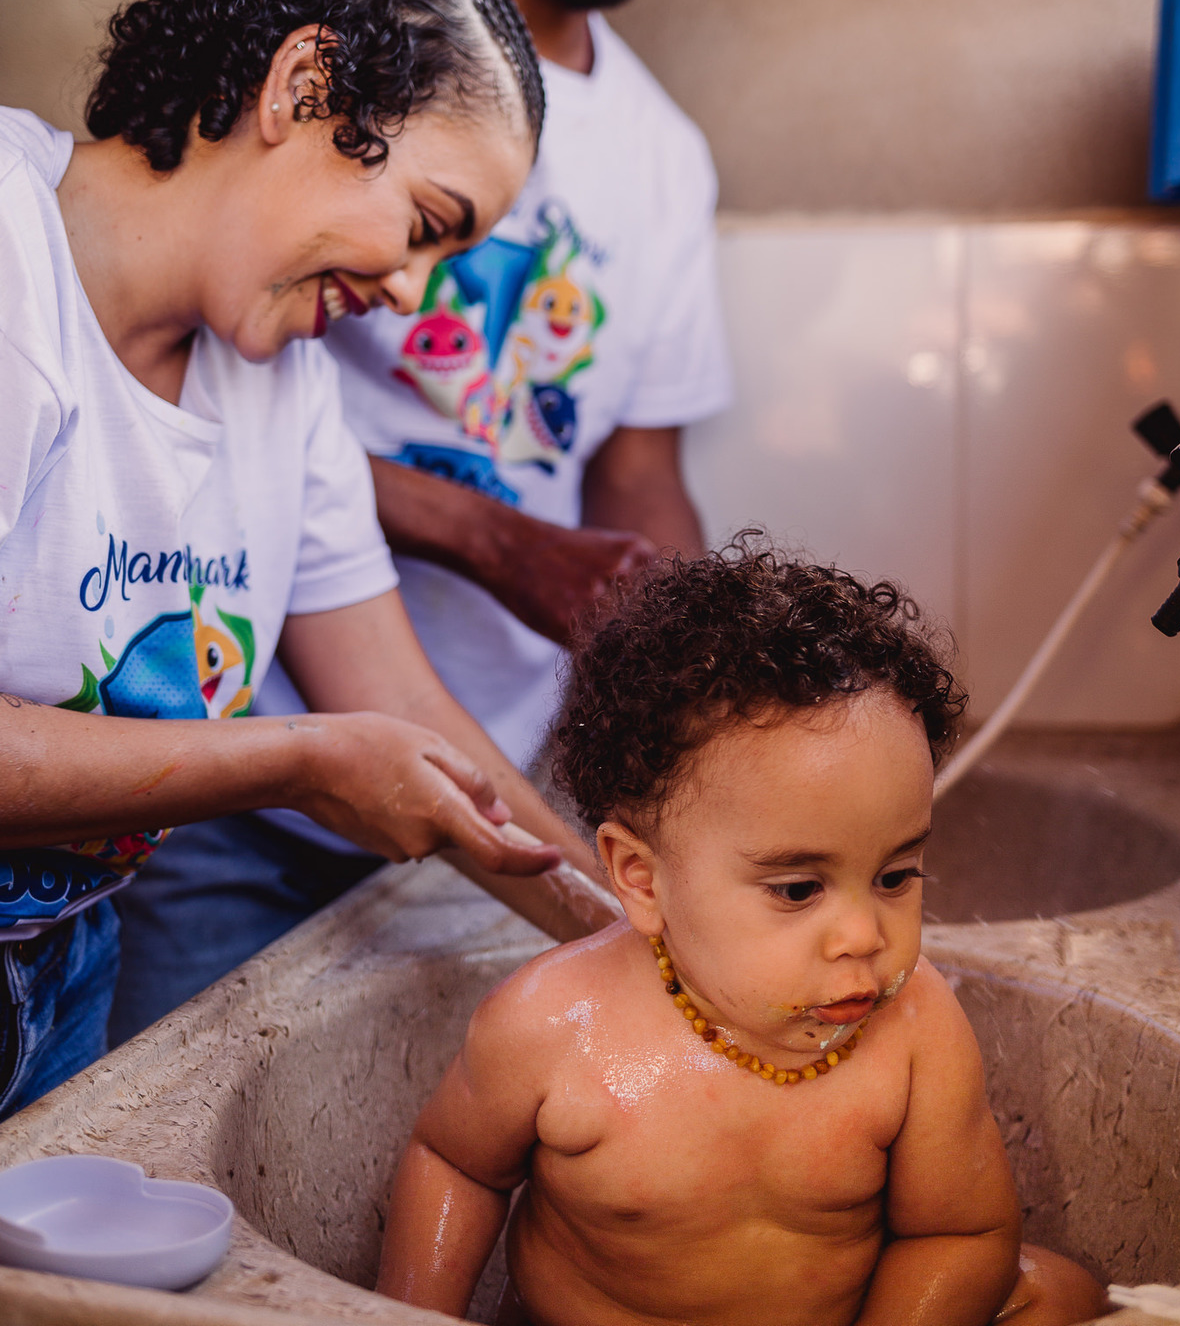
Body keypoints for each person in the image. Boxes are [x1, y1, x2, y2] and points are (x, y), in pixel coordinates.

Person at [110, 0, 787, 1034]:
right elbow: (160, 373)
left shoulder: (663, 159)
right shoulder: (347, 23)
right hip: (210, 769)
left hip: (469, 762)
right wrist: (491, 537)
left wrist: (720, 697)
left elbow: (636, 471)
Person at [0, 0, 605, 1118]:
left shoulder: (285, 393)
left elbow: (401, 705)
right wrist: (299, 760)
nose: (411, 293)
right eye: (425, 225)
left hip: (66, 967)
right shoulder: (12, 269)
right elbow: (337, 738)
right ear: (305, 87)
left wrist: (635, 942)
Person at [377, 545, 1112, 1326]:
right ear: (641, 878)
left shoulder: (914, 1028)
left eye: (896, 876)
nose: (864, 936)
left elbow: (960, 1231)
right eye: (798, 889)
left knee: (1062, 1291)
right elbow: (454, 1165)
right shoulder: (550, 1026)